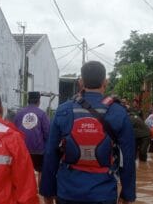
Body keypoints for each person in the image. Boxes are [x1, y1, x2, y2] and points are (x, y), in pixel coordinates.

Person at [40, 61, 136, 204]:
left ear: (81, 82)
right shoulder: (118, 112)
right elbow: (128, 157)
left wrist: (47, 192)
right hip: (104, 194)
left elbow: (50, 154)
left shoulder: (63, 110)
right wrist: (127, 194)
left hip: (67, 192)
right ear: (106, 82)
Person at [14, 91, 50, 187]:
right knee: (41, 171)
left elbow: (14, 131)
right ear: (39, 101)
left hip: (22, 150)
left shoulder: (19, 114)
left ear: (28, 100)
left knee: (23, 173)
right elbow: (47, 133)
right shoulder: (42, 114)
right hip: (39, 151)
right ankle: (41, 193)